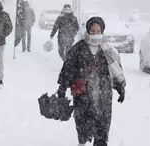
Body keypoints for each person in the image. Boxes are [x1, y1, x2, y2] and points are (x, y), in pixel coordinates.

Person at [56, 17, 126, 146]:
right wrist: (62, 88)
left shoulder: (108, 50)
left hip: (103, 97)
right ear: (88, 30)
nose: (95, 34)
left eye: (98, 31)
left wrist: (121, 87)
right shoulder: (78, 48)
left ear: (102, 31)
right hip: (83, 96)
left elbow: (116, 70)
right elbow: (68, 68)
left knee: (102, 130)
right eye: (92, 31)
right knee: (83, 128)